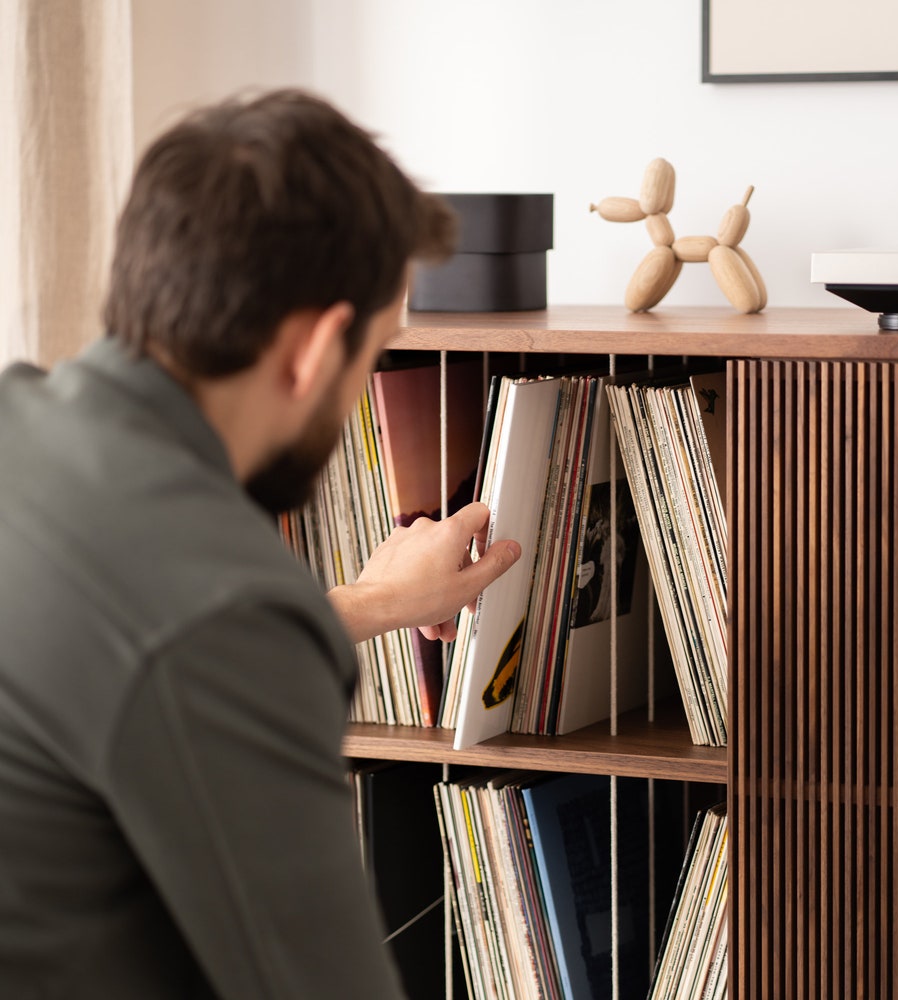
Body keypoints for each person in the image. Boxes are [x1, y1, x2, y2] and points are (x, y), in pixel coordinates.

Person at [0, 89, 521, 998]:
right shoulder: (219, 614)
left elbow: (123, 651)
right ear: (316, 350)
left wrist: (372, 604)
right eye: (376, 353)